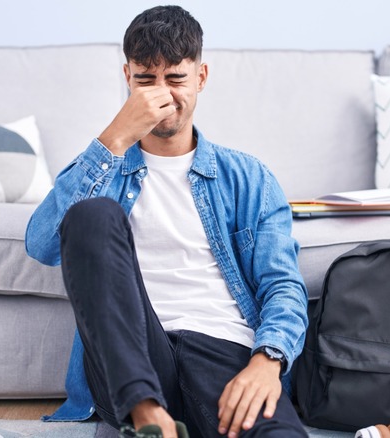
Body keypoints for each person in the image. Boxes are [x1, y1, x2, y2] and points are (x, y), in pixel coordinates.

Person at [25, 5, 308, 438]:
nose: (162, 94)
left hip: (223, 350)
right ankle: (147, 414)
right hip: (132, 360)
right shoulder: (102, 168)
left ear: (201, 77)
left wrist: (267, 361)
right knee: (92, 215)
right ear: (127, 77)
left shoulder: (249, 177)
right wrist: (115, 138)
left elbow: (282, 284)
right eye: (145, 80)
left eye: (175, 78)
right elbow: (41, 244)